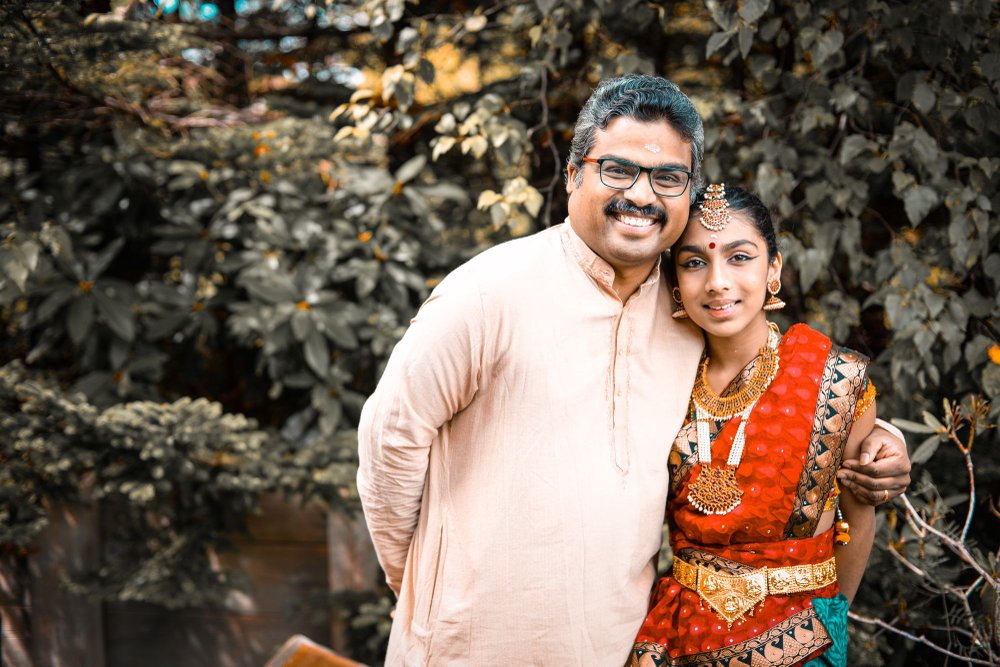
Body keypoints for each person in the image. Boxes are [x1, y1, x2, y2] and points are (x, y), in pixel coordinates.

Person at [357, 75, 909, 665]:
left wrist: (880, 439)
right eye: (618, 170)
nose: (642, 195)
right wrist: (423, 593)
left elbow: (773, 395)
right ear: (574, 174)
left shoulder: (687, 307)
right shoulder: (487, 294)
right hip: (472, 646)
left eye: (667, 177)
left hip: (621, 648)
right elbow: (390, 442)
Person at [628, 185, 877, 666]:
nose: (717, 282)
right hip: (675, 636)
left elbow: (858, 511)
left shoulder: (831, 378)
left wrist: (829, 622)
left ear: (774, 270)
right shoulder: (657, 378)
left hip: (802, 639)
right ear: (675, 281)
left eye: (740, 257)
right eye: (694, 262)